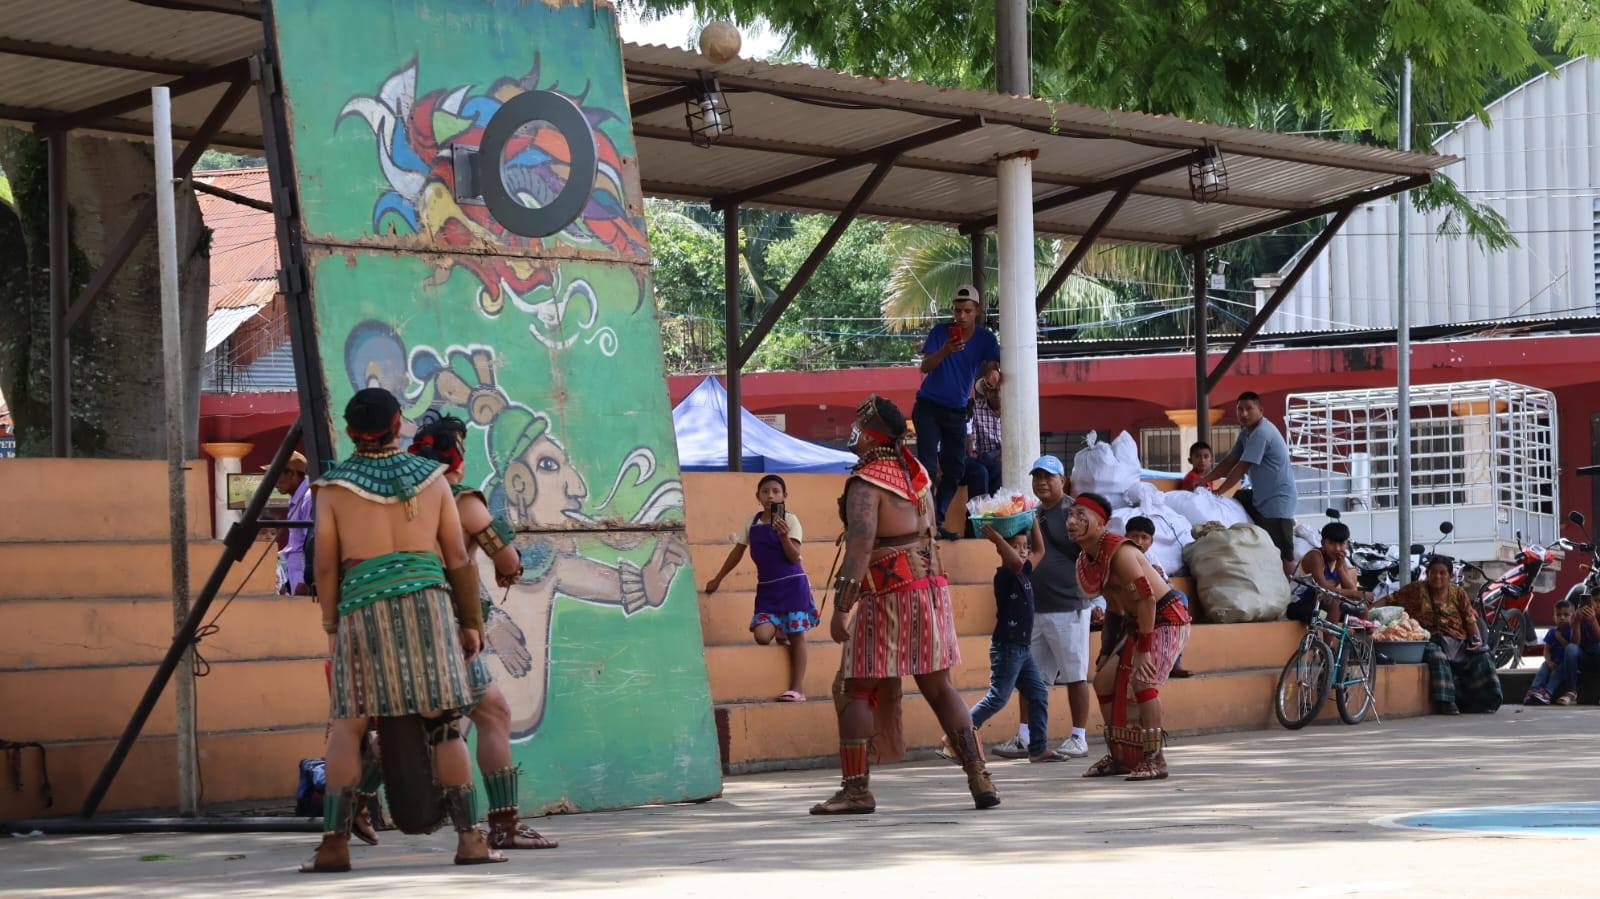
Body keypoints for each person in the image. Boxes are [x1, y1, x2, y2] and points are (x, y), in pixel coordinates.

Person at [301, 388, 502, 873]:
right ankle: (470, 840)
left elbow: (325, 566)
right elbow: (457, 557)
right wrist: (470, 622)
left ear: (351, 431)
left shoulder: (332, 489)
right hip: (429, 609)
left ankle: (334, 846)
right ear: (397, 425)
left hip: (361, 610)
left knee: (349, 726)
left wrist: (331, 624)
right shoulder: (433, 479)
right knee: (445, 725)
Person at [812, 395, 998, 815]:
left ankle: (856, 791)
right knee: (940, 686)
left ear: (870, 435)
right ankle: (979, 776)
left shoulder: (866, 482)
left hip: (888, 593)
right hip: (930, 588)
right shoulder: (915, 475)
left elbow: (860, 548)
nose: (854, 434)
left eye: (859, 427)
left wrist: (841, 607)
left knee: (856, 688)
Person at [404, 415, 558, 850]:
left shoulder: (399, 498)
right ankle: (501, 826)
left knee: (404, 720)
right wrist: (509, 570)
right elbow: (506, 559)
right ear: (457, 455)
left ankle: (351, 807)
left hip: (394, 618)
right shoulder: (462, 499)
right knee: (490, 715)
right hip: (448, 622)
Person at [1071, 493, 1192, 781]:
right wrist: (1106, 651)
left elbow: (1147, 600)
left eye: (1080, 516)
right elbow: (1114, 609)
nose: (1071, 522)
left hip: (1165, 618)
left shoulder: (1121, 552)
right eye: (1070, 515)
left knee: (1143, 680)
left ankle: (1154, 758)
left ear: (1100, 523)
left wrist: (1144, 650)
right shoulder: (1088, 560)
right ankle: (1120, 756)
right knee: (1103, 680)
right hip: (1136, 623)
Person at [993, 456, 1093, 759]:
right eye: (1037, 477)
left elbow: (1091, 553)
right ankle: (1026, 737)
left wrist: (1097, 597)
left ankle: (1079, 737)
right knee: (1030, 678)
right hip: (1034, 610)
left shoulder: (1075, 512)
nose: (1042, 482)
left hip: (1069, 606)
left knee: (1075, 674)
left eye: (1048, 477)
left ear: (1062, 480)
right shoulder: (1030, 513)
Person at [945, 525, 1063, 763]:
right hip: (1007, 647)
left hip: (1023, 648)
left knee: (1038, 693)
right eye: (1015, 546)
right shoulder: (1005, 575)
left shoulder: (1025, 572)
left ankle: (1037, 749)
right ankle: (954, 738)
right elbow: (1016, 562)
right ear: (1002, 550)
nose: (1022, 551)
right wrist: (998, 539)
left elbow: (1040, 550)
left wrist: (1034, 521)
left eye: (1024, 546)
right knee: (997, 698)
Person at [704, 474, 819, 702]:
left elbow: (794, 556)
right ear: (757, 496)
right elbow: (737, 552)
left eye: (776, 491)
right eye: (765, 492)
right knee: (762, 636)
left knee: (797, 637)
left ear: (784, 496)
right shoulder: (752, 523)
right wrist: (718, 578)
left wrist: (783, 536)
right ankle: (780, 628)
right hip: (767, 591)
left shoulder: (791, 520)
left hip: (792, 587)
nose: (770, 496)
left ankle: (797, 689)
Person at [914, 285, 1001, 540]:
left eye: (967, 311)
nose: (961, 316)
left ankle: (937, 520)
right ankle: (925, 523)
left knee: (955, 469)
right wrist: (946, 350)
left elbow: (992, 364)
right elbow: (925, 367)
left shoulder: (985, 338)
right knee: (929, 467)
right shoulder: (940, 333)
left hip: (956, 411)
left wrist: (993, 374)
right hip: (928, 406)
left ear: (977, 311)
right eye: (957, 310)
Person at [1386, 556, 1501, 715]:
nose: (1437, 577)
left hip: (1458, 642)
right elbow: (1389, 600)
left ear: (1450, 576)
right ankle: (1447, 702)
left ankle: (1488, 701)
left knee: (1482, 655)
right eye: (1433, 572)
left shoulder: (1458, 593)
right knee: (1437, 655)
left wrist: (1477, 640)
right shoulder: (1416, 590)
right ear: (1427, 573)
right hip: (1429, 640)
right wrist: (1367, 612)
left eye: (1442, 573)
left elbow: (1470, 620)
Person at [1204, 392, 1300, 576]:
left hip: (1277, 504)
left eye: (1249, 409)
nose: (1244, 414)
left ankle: (1291, 589)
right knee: (1239, 499)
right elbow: (1230, 461)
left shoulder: (1262, 432)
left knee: (1283, 554)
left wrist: (1219, 492)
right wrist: (1203, 481)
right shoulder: (1246, 433)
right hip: (1260, 498)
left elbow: (1241, 467)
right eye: (1240, 409)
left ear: (1260, 410)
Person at [1125, 516, 1190, 679]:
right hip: (1132, 601)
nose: (1139, 541)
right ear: (1125, 536)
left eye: (1144, 537)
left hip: (1155, 603)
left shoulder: (1152, 557)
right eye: (1134, 536)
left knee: (1180, 598)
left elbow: (1168, 587)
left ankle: (1174, 662)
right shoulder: (1123, 555)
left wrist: (1159, 576)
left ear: (1151, 541)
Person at [1288, 521, 1372, 626]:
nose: (1337, 548)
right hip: (1298, 604)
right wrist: (1356, 593)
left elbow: (1351, 589)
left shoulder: (1341, 559)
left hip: (1320, 602)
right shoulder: (1315, 556)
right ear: (1323, 543)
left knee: (1360, 604)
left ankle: (1364, 634)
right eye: (1332, 543)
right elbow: (1323, 588)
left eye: (1341, 544)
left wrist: (1340, 569)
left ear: (1346, 544)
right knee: (1335, 602)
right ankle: (1329, 637)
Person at [271, 451, 314, 596]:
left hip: (304, 579)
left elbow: (311, 543)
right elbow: (294, 544)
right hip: (294, 574)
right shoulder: (296, 498)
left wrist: (307, 580)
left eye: (278, 476)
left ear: (292, 474)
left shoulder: (309, 498)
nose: (275, 482)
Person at [1525, 599, 1580, 706]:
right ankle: (1533, 691)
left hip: (1564, 663)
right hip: (1553, 660)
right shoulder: (1551, 631)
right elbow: (1547, 649)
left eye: (1566, 615)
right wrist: (1548, 661)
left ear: (1572, 617)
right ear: (1554, 617)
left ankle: (1547, 693)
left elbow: (1570, 648)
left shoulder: (1572, 631)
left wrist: (1560, 638)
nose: (1562, 618)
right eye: (1558, 615)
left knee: (1556, 674)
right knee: (1543, 670)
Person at [970, 373, 1003, 493]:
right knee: (983, 468)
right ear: (986, 393)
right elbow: (972, 444)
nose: (997, 394)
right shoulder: (976, 408)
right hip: (985, 456)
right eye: (992, 391)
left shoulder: (1015, 408)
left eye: (999, 390)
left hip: (1007, 455)